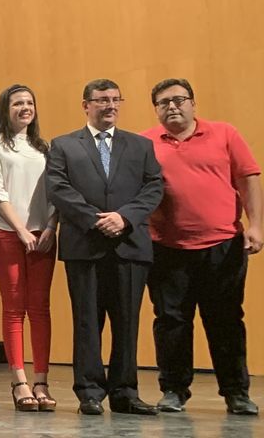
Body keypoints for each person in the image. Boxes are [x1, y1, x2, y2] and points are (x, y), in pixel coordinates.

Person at [46, 78, 164, 416]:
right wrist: (97, 219)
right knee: (87, 321)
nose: (110, 105)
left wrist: (124, 218)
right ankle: (90, 392)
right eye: (102, 100)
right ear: (86, 105)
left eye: (115, 99)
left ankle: (125, 392)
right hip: (85, 245)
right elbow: (57, 188)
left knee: (127, 322)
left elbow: (153, 187)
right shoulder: (64, 145)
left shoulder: (140, 146)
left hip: (130, 245)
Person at [141, 78, 260, 415]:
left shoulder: (224, 133)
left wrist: (256, 226)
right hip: (166, 248)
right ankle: (175, 390)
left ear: (193, 103)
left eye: (179, 100)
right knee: (171, 320)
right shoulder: (145, 143)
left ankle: (236, 392)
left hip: (222, 245)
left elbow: (248, 178)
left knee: (225, 320)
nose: (172, 106)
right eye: (163, 102)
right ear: (156, 110)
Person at [0, 84, 59, 411]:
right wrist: (20, 230)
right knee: (14, 307)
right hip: (8, 233)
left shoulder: (45, 147)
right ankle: (19, 381)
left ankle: (41, 380)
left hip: (44, 234)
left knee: (40, 307)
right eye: (18, 103)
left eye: (29, 102)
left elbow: (57, 193)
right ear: (6, 108)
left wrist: (52, 227)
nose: (25, 108)